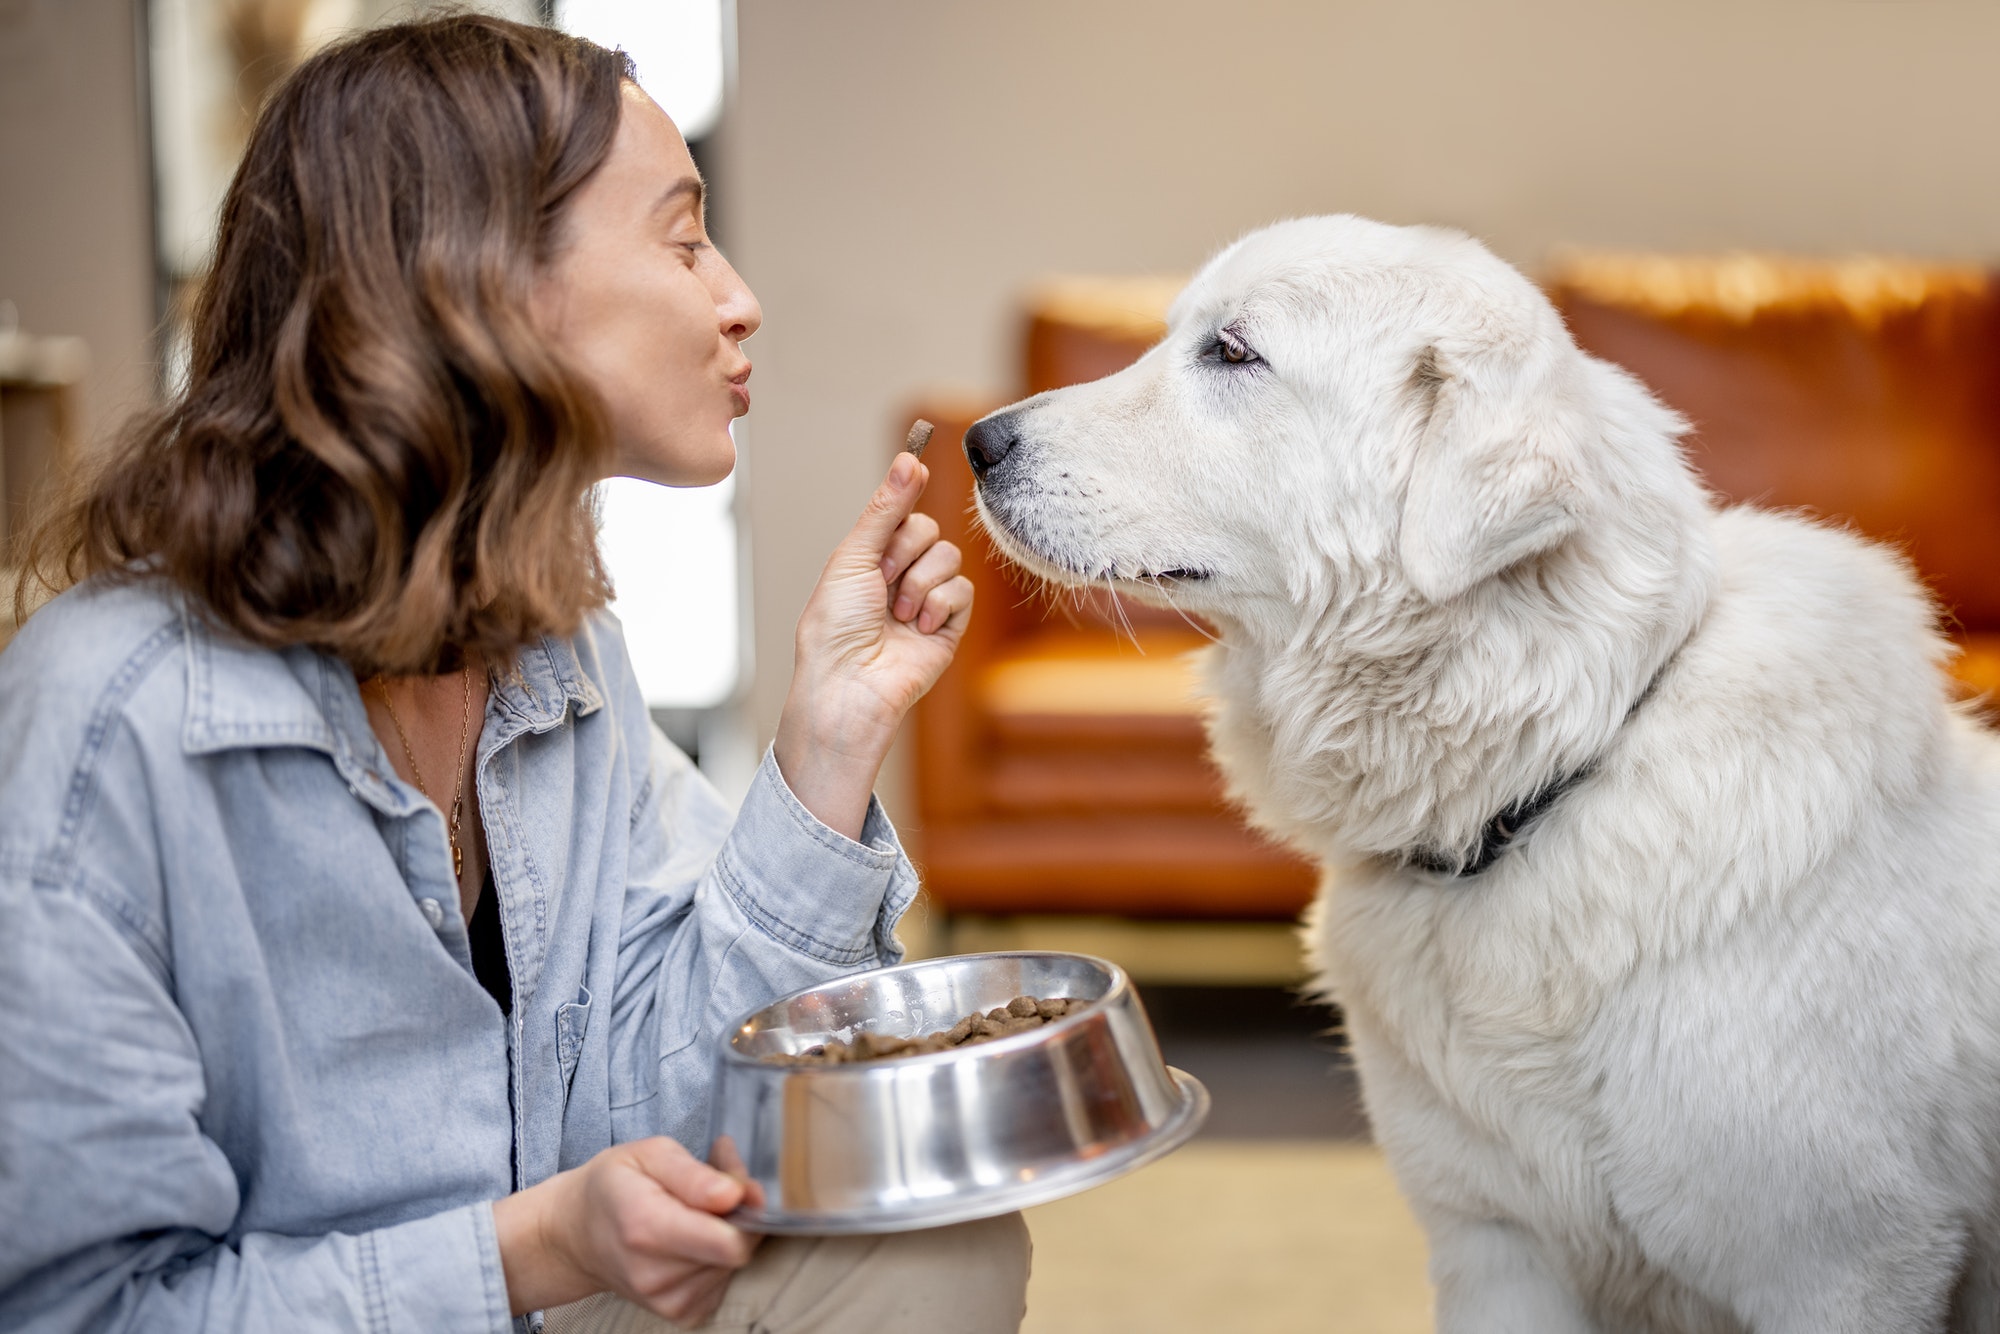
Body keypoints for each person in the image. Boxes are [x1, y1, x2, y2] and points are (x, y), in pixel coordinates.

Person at [0, 15, 1029, 1333]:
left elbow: (680, 1113)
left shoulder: (558, 642)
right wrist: (530, 1250)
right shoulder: (105, 725)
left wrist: (826, 743)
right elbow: (80, 1311)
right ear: (477, 283)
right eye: (680, 235)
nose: (738, 296)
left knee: (933, 1244)